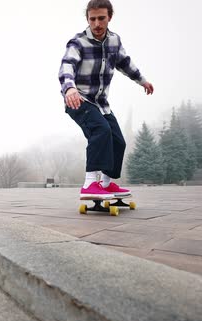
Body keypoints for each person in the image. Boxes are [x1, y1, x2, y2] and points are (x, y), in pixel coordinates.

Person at [59, 0, 154, 199]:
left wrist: (142, 81)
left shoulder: (114, 41)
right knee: (100, 131)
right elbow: (67, 66)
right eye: (92, 19)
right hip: (78, 100)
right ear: (87, 19)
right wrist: (69, 89)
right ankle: (89, 184)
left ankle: (106, 184)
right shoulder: (78, 43)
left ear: (109, 17)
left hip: (101, 104)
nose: (97, 24)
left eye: (101, 18)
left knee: (118, 141)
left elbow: (125, 63)